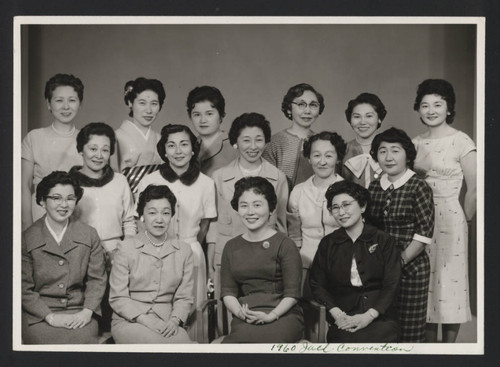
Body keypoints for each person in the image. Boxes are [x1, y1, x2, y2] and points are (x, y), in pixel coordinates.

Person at [412, 79, 477, 343]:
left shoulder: (462, 140)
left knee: (450, 280)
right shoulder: (414, 143)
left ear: (449, 108)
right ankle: (429, 346)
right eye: (425, 105)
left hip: (451, 217)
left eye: (437, 104)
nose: (431, 110)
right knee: (426, 279)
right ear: (418, 110)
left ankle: (448, 347)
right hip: (421, 216)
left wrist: (468, 221)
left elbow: (474, 189)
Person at [136, 124, 216, 317]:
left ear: (193, 148)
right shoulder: (148, 181)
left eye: (184, 144)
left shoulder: (206, 183)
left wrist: (189, 242)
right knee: (158, 310)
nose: (178, 151)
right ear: (164, 150)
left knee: (193, 310)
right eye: (171, 145)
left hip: (193, 252)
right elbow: (141, 222)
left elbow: (205, 225)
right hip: (156, 254)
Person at [206, 112, 288, 299]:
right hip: (227, 255)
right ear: (235, 143)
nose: (253, 147)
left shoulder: (278, 177)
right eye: (246, 140)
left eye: (258, 140)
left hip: (267, 257)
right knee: (225, 311)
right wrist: (210, 261)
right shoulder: (219, 177)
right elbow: (213, 224)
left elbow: (282, 225)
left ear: (266, 142)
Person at [309, 180, 401, 342]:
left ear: (363, 206)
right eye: (335, 208)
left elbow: (392, 283)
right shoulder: (328, 243)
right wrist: (337, 313)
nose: (341, 212)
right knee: (343, 340)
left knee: (381, 338)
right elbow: (317, 284)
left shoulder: (383, 240)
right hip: (343, 316)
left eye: (346, 205)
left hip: (379, 315)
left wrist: (370, 315)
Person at [22, 171, 107, 344]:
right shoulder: (26, 238)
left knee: (83, 341)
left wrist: (87, 311)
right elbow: (23, 288)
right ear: (42, 201)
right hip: (39, 314)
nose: (64, 204)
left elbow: (97, 280)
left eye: (70, 198)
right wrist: (50, 317)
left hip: (79, 311)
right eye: (56, 198)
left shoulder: (89, 235)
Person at [367, 127, 435, 342]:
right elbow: (369, 227)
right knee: (383, 326)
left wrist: (399, 261)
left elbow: (423, 235)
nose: (388, 157)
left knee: (409, 330)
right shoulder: (374, 186)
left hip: (411, 268)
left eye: (395, 150)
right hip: (379, 267)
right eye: (382, 151)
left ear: (407, 154)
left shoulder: (419, 186)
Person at [219, 177, 303, 343]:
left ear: (271, 208)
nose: (250, 212)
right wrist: (239, 313)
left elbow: (292, 294)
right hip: (246, 315)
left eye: (257, 205)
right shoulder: (231, 246)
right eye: (244, 205)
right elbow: (228, 292)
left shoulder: (285, 244)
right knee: (238, 344)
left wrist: (272, 316)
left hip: (282, 314)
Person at [109, 185, 195, 343]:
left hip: (167, 321)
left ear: (172, 216)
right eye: (152, 212)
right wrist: (145, 319)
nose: (159, 219)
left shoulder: (184, 250)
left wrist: (174, 321)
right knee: (157, 346)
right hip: (130, 320)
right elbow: (118, 297)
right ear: (142, 215)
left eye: (166, 213)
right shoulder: (126, 248)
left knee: (185, 346)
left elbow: (184, 297)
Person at [22, 73, 84, 230]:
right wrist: (28, 227)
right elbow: (24, 185)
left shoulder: (88, 139)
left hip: (78, 216)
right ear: (48, 103)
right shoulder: (34, 137)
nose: (66, 107)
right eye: (59, 100)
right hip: (41, 215)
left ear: (80, 103)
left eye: (72, 100)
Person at [69, 122, 136, 259]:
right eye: (93, 149)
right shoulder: (68, 183)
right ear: (81, 150)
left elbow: (129, 221)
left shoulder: (120, 181)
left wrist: (125, 249)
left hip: (117, 252)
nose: (99, 155)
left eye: (105, 150)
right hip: (79, 253)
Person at [288, 131, 346, 275]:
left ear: (338, 158)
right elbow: (294, 236)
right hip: (305, 265)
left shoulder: (349, 192)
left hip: (340, 264)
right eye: (316, 155)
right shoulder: (298, 191)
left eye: (328, 155)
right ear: (309, 158)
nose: (322, 162)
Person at [262, 83, 325, 191]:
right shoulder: (274, 142)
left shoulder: (324, 142)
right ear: (289, 109)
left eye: (313, 105)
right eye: (301, 104)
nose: (307, 111)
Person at [115, 77, 166, 193]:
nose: (149, 110)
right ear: (130, 103)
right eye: (142, 103)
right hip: (125, 198)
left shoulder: (160, 139)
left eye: (154, 104)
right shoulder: (115, 137)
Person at [186, 85, 238, 177]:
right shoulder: (187, 146)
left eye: (209, 114)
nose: (203, 120)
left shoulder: (236, 147)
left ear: (221, 115)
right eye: (197, 115)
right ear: (190, 117)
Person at [342, 93, 387, 188]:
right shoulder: (342, 150)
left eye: (369, 116)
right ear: (350, 120)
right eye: (357, 117)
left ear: (379, 119)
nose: (362, 122)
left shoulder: (391, 148)